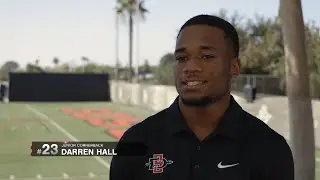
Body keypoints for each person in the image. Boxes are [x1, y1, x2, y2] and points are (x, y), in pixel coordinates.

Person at [110, 14, 294, 180]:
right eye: (182, 59)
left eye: (206, 56)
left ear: (234, 67)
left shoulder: (270, 148)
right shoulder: (134, 142)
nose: (190, 67)